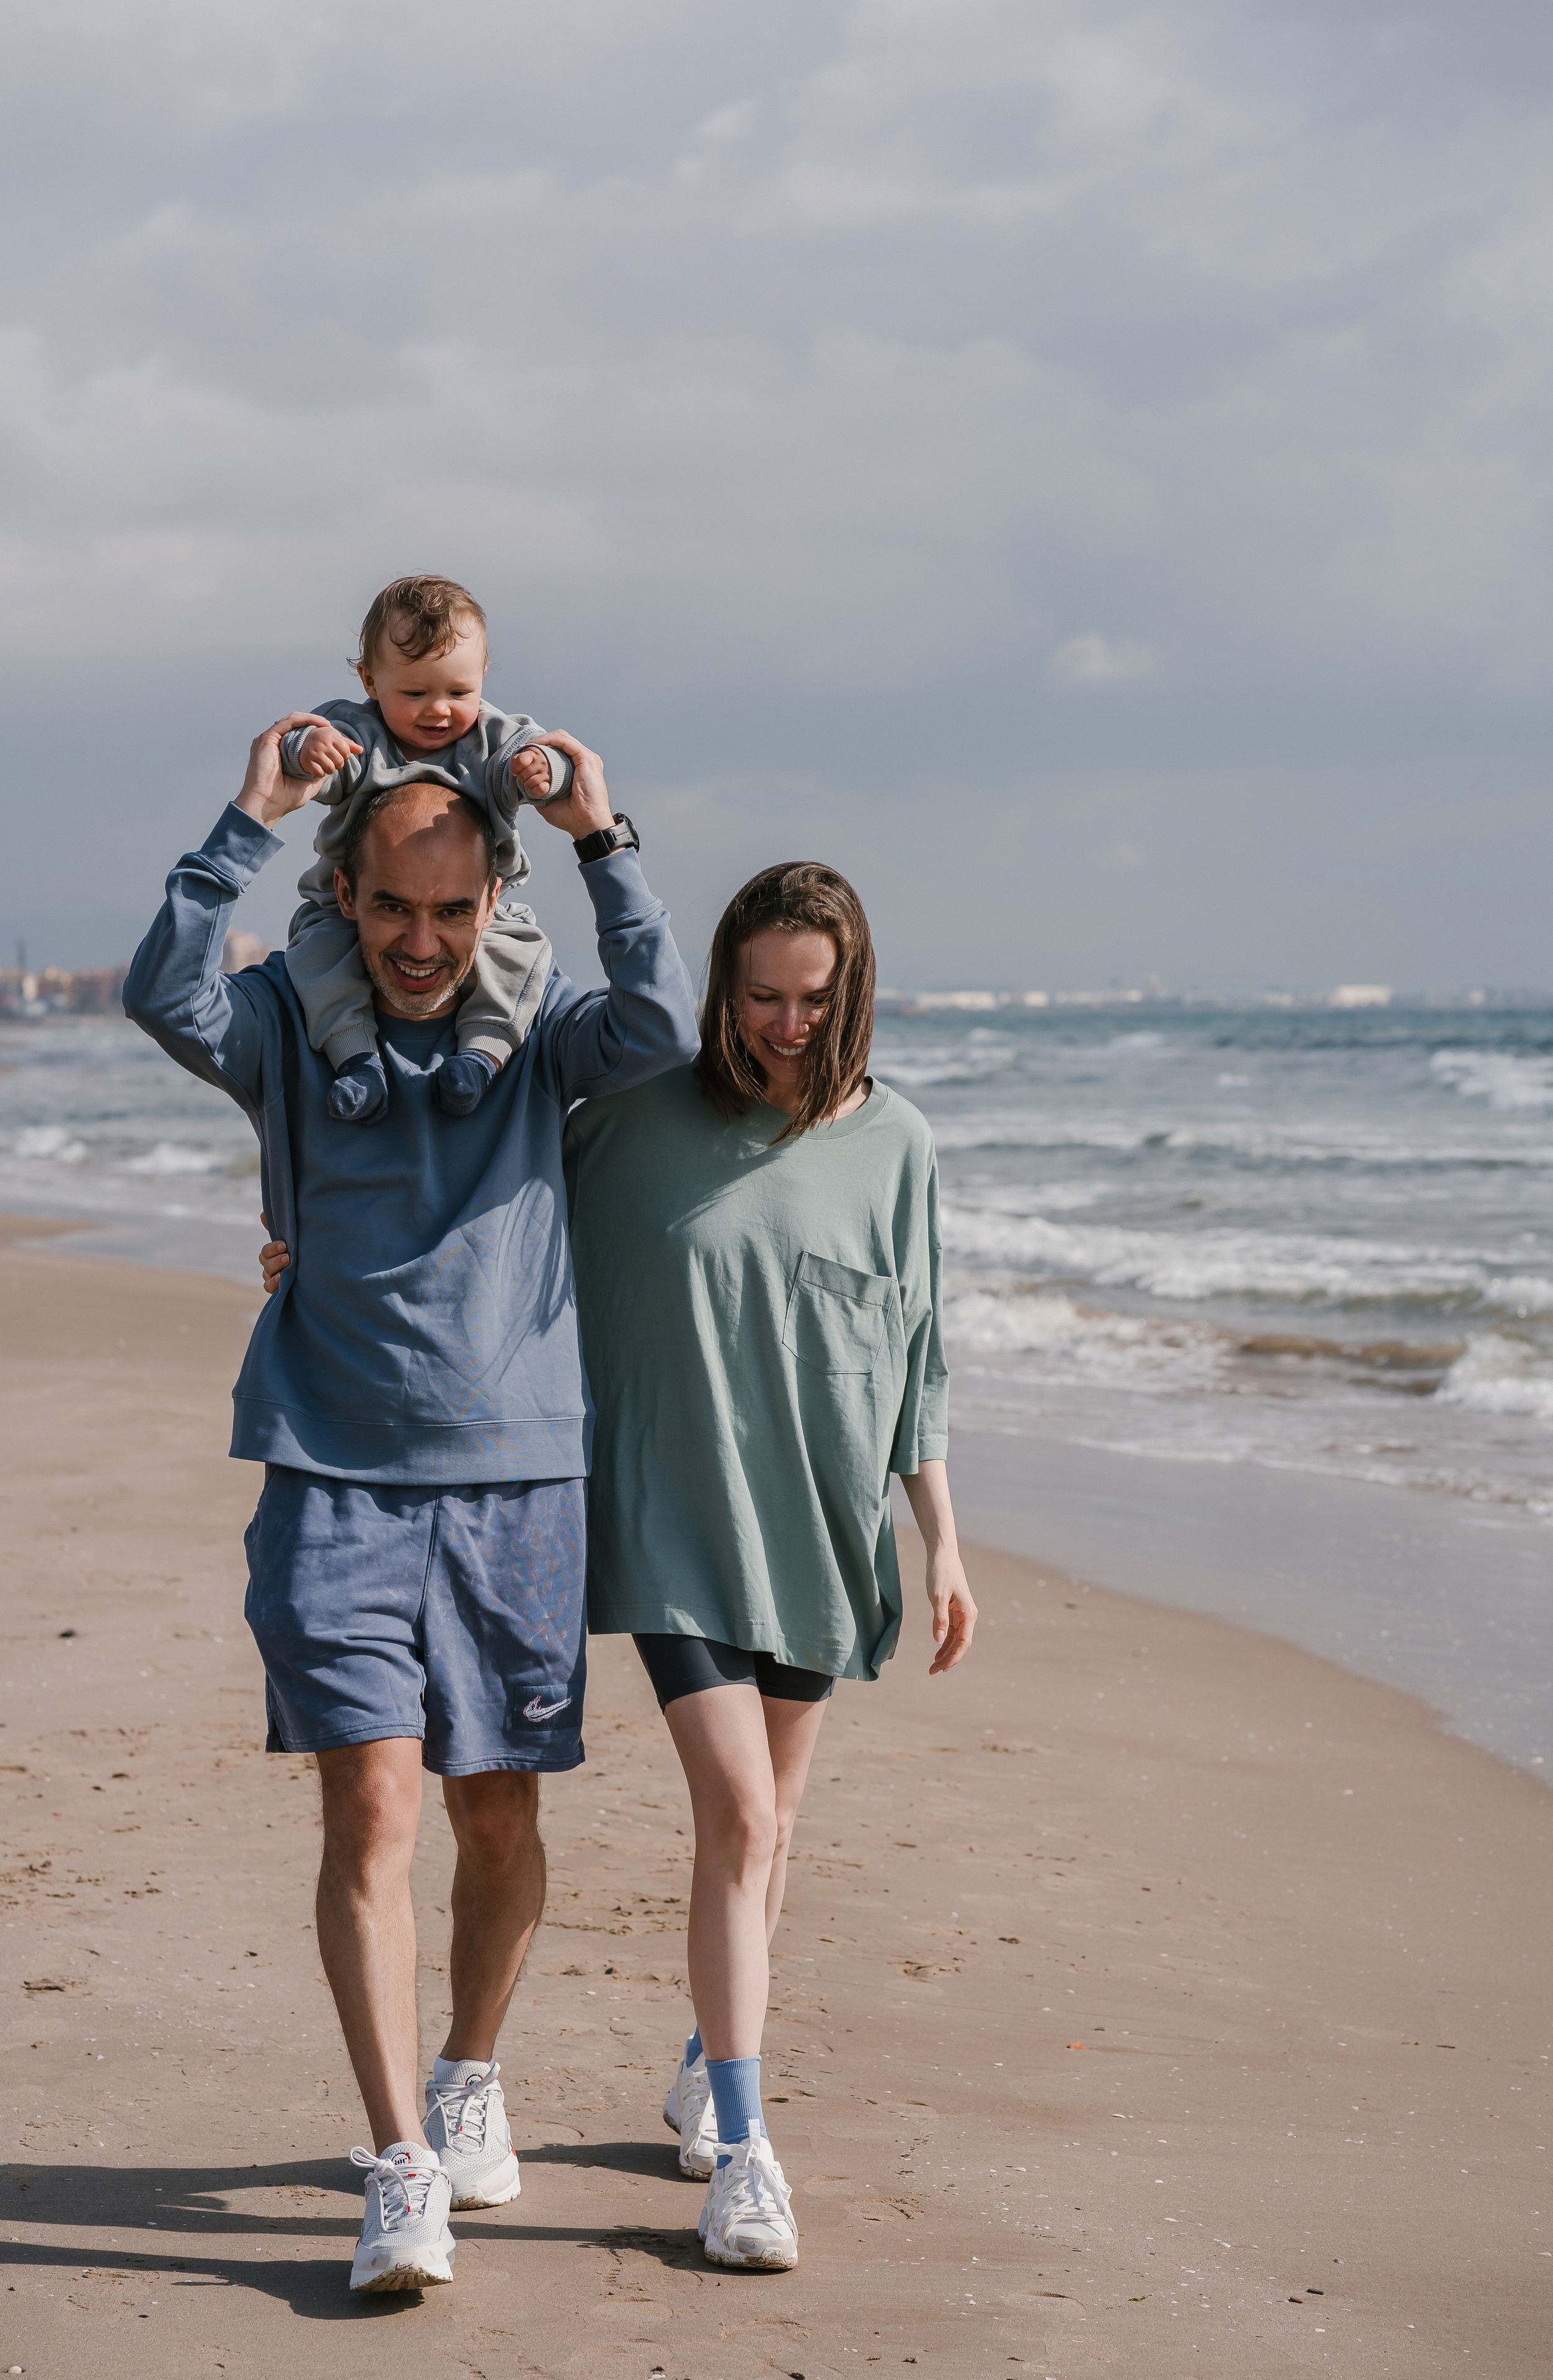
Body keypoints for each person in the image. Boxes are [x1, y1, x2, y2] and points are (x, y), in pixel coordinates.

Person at [124, 714, 698, 2295]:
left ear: (495, 903)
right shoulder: (285, 1028)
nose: (423, 943)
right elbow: (161, 990)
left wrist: (603, 839)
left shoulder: (547, 1029)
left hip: (518, 1474)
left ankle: (466, 2073)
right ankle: (396, 2163)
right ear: (347, 899)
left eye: (454, 911)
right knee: (369, 1804)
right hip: (329, 1470)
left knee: (497, 1809)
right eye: (393, 908)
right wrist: (246, 809)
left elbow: (657, 1022)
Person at [564, 860, 978, 2272]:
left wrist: (942, 1540)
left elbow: (913, 1353)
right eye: (759, 994)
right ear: (720, 984)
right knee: (740, 1810)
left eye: (812, 997)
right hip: (669, 1520)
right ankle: (743, 2148)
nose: (785, 1021)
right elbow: (477, 1225)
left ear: (847, 991)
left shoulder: (897, 1142)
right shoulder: (627, 1122)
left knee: (772, 1827)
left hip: (819, 1525)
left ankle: (701, 2060)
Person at [278, 573, 572, 1125]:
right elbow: (304, 753)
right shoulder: (359, 735)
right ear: (370, 680)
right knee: (317, 959)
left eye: (459, 692)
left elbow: (546, 757)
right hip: (349, 910)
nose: (439, 711)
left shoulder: (493, 740)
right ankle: (357, 1062)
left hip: (477, 913)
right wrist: (308, 750)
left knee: (519, 954)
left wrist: (545, 772)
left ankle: (482, 1057)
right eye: (414, 693)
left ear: (483, 678)